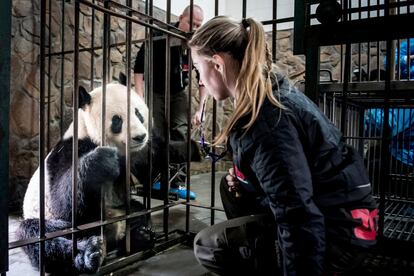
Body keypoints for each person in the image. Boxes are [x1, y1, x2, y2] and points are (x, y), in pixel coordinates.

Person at [189, 16, 378, 275]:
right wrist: (246, 179)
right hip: (343, 217)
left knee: (208, 246)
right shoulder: (268, 94)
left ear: (218, 64)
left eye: (199, 68)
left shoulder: (267, 120)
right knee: (230, 187)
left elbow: (298, 213)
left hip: (340, 237)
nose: (200, 80)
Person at [134, 4, 207, 140]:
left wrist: (201, 109)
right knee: (155, 130)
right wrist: (139, 96)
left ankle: (177, 161)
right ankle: (157, 161)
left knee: (180, 130)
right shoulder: (158, 35)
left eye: (198, 25)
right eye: (191, 23)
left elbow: (203, 77)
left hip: (178, 91)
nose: (194, 29)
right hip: (155, 91)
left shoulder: (197, 44)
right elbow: (139, 66)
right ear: (180, 18)